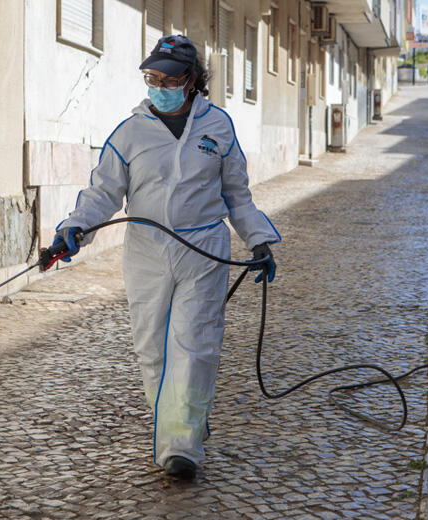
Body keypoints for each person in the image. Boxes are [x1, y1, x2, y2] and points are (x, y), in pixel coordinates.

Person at [52, 35, 281, 480]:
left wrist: (258, 240)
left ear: (191, 81)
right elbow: (103, 193)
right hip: (147, 252)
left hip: (203, 251)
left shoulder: (218, 127)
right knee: (153, 349)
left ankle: (182, 446)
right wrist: (75, 227)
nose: (159, 86)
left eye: (169, 79)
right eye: (152, 78)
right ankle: (184, 418)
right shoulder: (130, 133)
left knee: (194, 345)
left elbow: (237, 194)